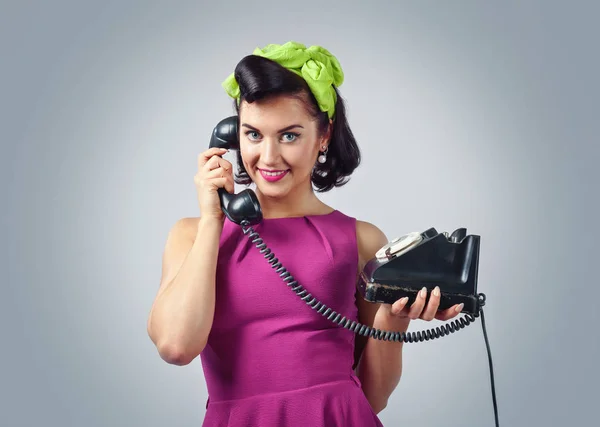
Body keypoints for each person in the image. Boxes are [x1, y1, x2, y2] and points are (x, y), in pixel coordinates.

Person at [147, 41, 463, 427]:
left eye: (290, 136)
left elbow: (373, 397)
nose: (268, 157)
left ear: (324, 135)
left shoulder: (362, 240)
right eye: (253, 135)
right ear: (231, 137)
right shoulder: (192, 235)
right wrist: (214, 218)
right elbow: (176, 346)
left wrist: (394, 318)